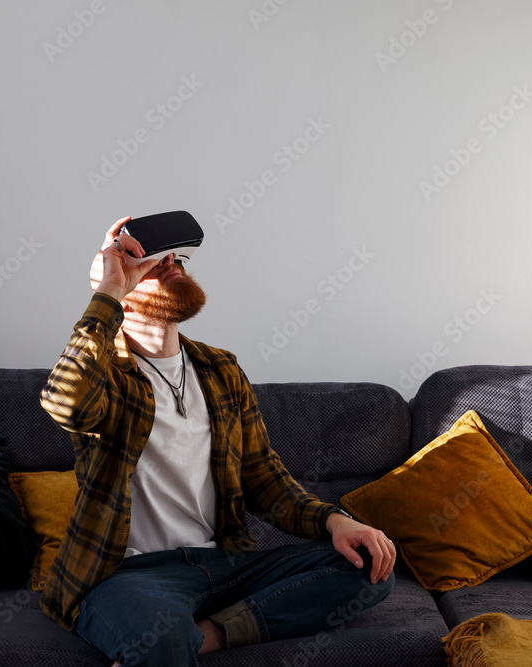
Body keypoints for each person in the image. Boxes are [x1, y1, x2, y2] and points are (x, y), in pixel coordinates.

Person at [39, 216, 395, 666]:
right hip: (131, 572)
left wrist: (336, 522)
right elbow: (66, 405)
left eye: (176, 259)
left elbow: (265, 479)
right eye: (152, 264)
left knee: (369, 569)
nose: (173, 266)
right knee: (160, 638)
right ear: (121, 291)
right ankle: (175, 636)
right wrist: (106, 293)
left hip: (224, 563)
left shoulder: (220, 369)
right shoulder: (105, 373)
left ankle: (207, 636)